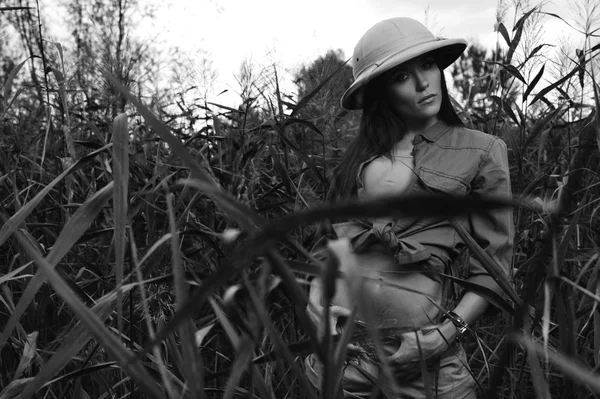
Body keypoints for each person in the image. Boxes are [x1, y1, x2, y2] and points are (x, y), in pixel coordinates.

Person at [304, 17, 514, 399]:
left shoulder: (482, 150)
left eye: (428, 65)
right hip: (344, 357)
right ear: (380, 92)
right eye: (401, 77)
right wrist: (316, 305)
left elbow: (494, 269)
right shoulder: (355, 160)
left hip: (430, 363)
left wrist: (446, 335)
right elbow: (328, 247)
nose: (422, 83)